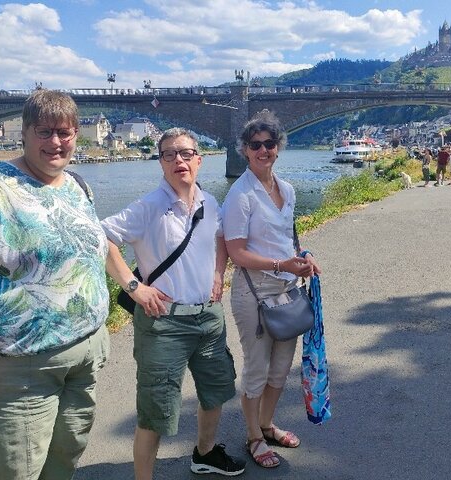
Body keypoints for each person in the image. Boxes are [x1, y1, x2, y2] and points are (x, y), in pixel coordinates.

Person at [0, 89, 110, 480]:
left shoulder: (76, 185)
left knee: (63, 460)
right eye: (44, 132)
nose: (55, 142)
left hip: (80, 359)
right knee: (14, 472)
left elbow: (91, 251)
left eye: (64, 133)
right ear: (25, 133)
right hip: (16, 368)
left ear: (76, 135)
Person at [101, 128, 245, 479]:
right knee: (155, 410)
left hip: (208, 319)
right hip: (163, 322)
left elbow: (220, 236)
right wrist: (135, 287)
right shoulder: (150, 207)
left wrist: (217, 273)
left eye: (185, 153)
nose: (178, 160)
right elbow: (101, 237)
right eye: (169, 154)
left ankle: (206, 454)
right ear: (161, 164)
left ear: (199, 159)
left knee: (215, 393)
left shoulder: (210, 203)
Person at [222, 110, 322, 469]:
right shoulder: (240, 194)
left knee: (281, 369)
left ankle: (266, 424)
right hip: (254, 292)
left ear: (278, 147)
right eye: (255, 145)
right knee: (257, 369)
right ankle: (252, 437)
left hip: (287, 289)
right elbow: (236, 252)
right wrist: (282, 265)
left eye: (269, 143)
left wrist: (303, 257)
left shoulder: (287, 189)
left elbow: (285, 241)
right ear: (245, 151)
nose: (263, 150)